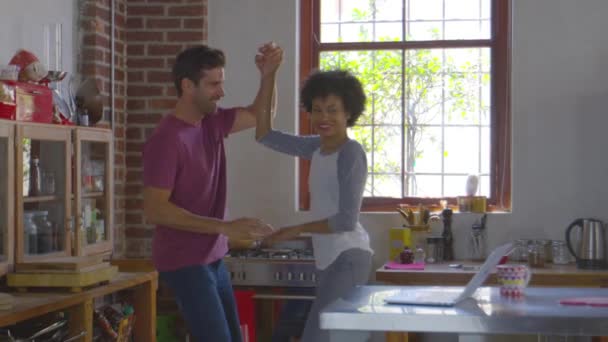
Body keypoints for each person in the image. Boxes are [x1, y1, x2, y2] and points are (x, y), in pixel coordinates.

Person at [142, 42, 283, 342]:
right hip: (184, 260)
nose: (221, 92)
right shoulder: (167, 140)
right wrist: (224, 227)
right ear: (187, 86)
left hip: (213, 256)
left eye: (222, 83)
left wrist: (269, 75)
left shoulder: (212, 123)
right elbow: (155, 209)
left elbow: (264, 114)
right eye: (214, 84)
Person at [257, 70, 373, 342]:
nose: (324, 117)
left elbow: (345, 220)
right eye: (317, 110)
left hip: (349, 256)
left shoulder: (351, 153)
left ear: (349, 113)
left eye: (332, 110)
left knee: (317, 337)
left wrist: (293, 230)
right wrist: (270, 75)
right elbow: (263, 134)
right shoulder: (316, 148)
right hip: (330, 258)